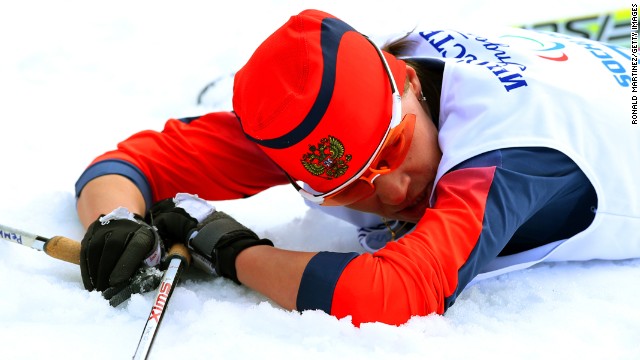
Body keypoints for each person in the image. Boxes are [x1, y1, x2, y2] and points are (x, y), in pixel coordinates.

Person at [75, 9, 637, 326]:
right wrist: (115, 222)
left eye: (395, 149)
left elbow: (392, 295)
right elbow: (134, 161)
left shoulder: (507, 156)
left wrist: (233, 251)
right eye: (348, 189)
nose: (394, 191)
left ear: (409, 83)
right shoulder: (356, 105)